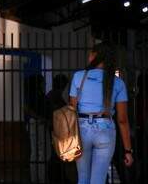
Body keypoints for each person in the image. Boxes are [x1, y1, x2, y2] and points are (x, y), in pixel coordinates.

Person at [69, 42, 133, 184]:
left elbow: (72, 110)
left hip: (82, 129)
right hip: (105, 130)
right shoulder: (118, 83)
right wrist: (128, 150)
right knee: (98, 180)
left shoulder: (78, 77)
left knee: (83, 178)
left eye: (90, 53)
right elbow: (122, 120)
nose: (88, 56)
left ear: (95, 56)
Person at [47, 74, 77, 184]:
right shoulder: (54, 96)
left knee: (58, 154)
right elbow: (58, 111)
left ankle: (58, 177)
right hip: (57, 129)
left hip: (57, 128)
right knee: (57, 155)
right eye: (64, 84)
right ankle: (57, 177)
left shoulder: (53, 95)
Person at [24, 74, 51, 183]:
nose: (44, 84)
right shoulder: (37, 94)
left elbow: (27, 108)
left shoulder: (31, 94)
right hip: (39, 124)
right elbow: (27, 109)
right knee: (43, 152)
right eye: (43, 82)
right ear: (39, 83)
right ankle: (41, 178)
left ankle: (36, 178)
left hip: (33, 123)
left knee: (35, 152)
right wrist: (42, 118)